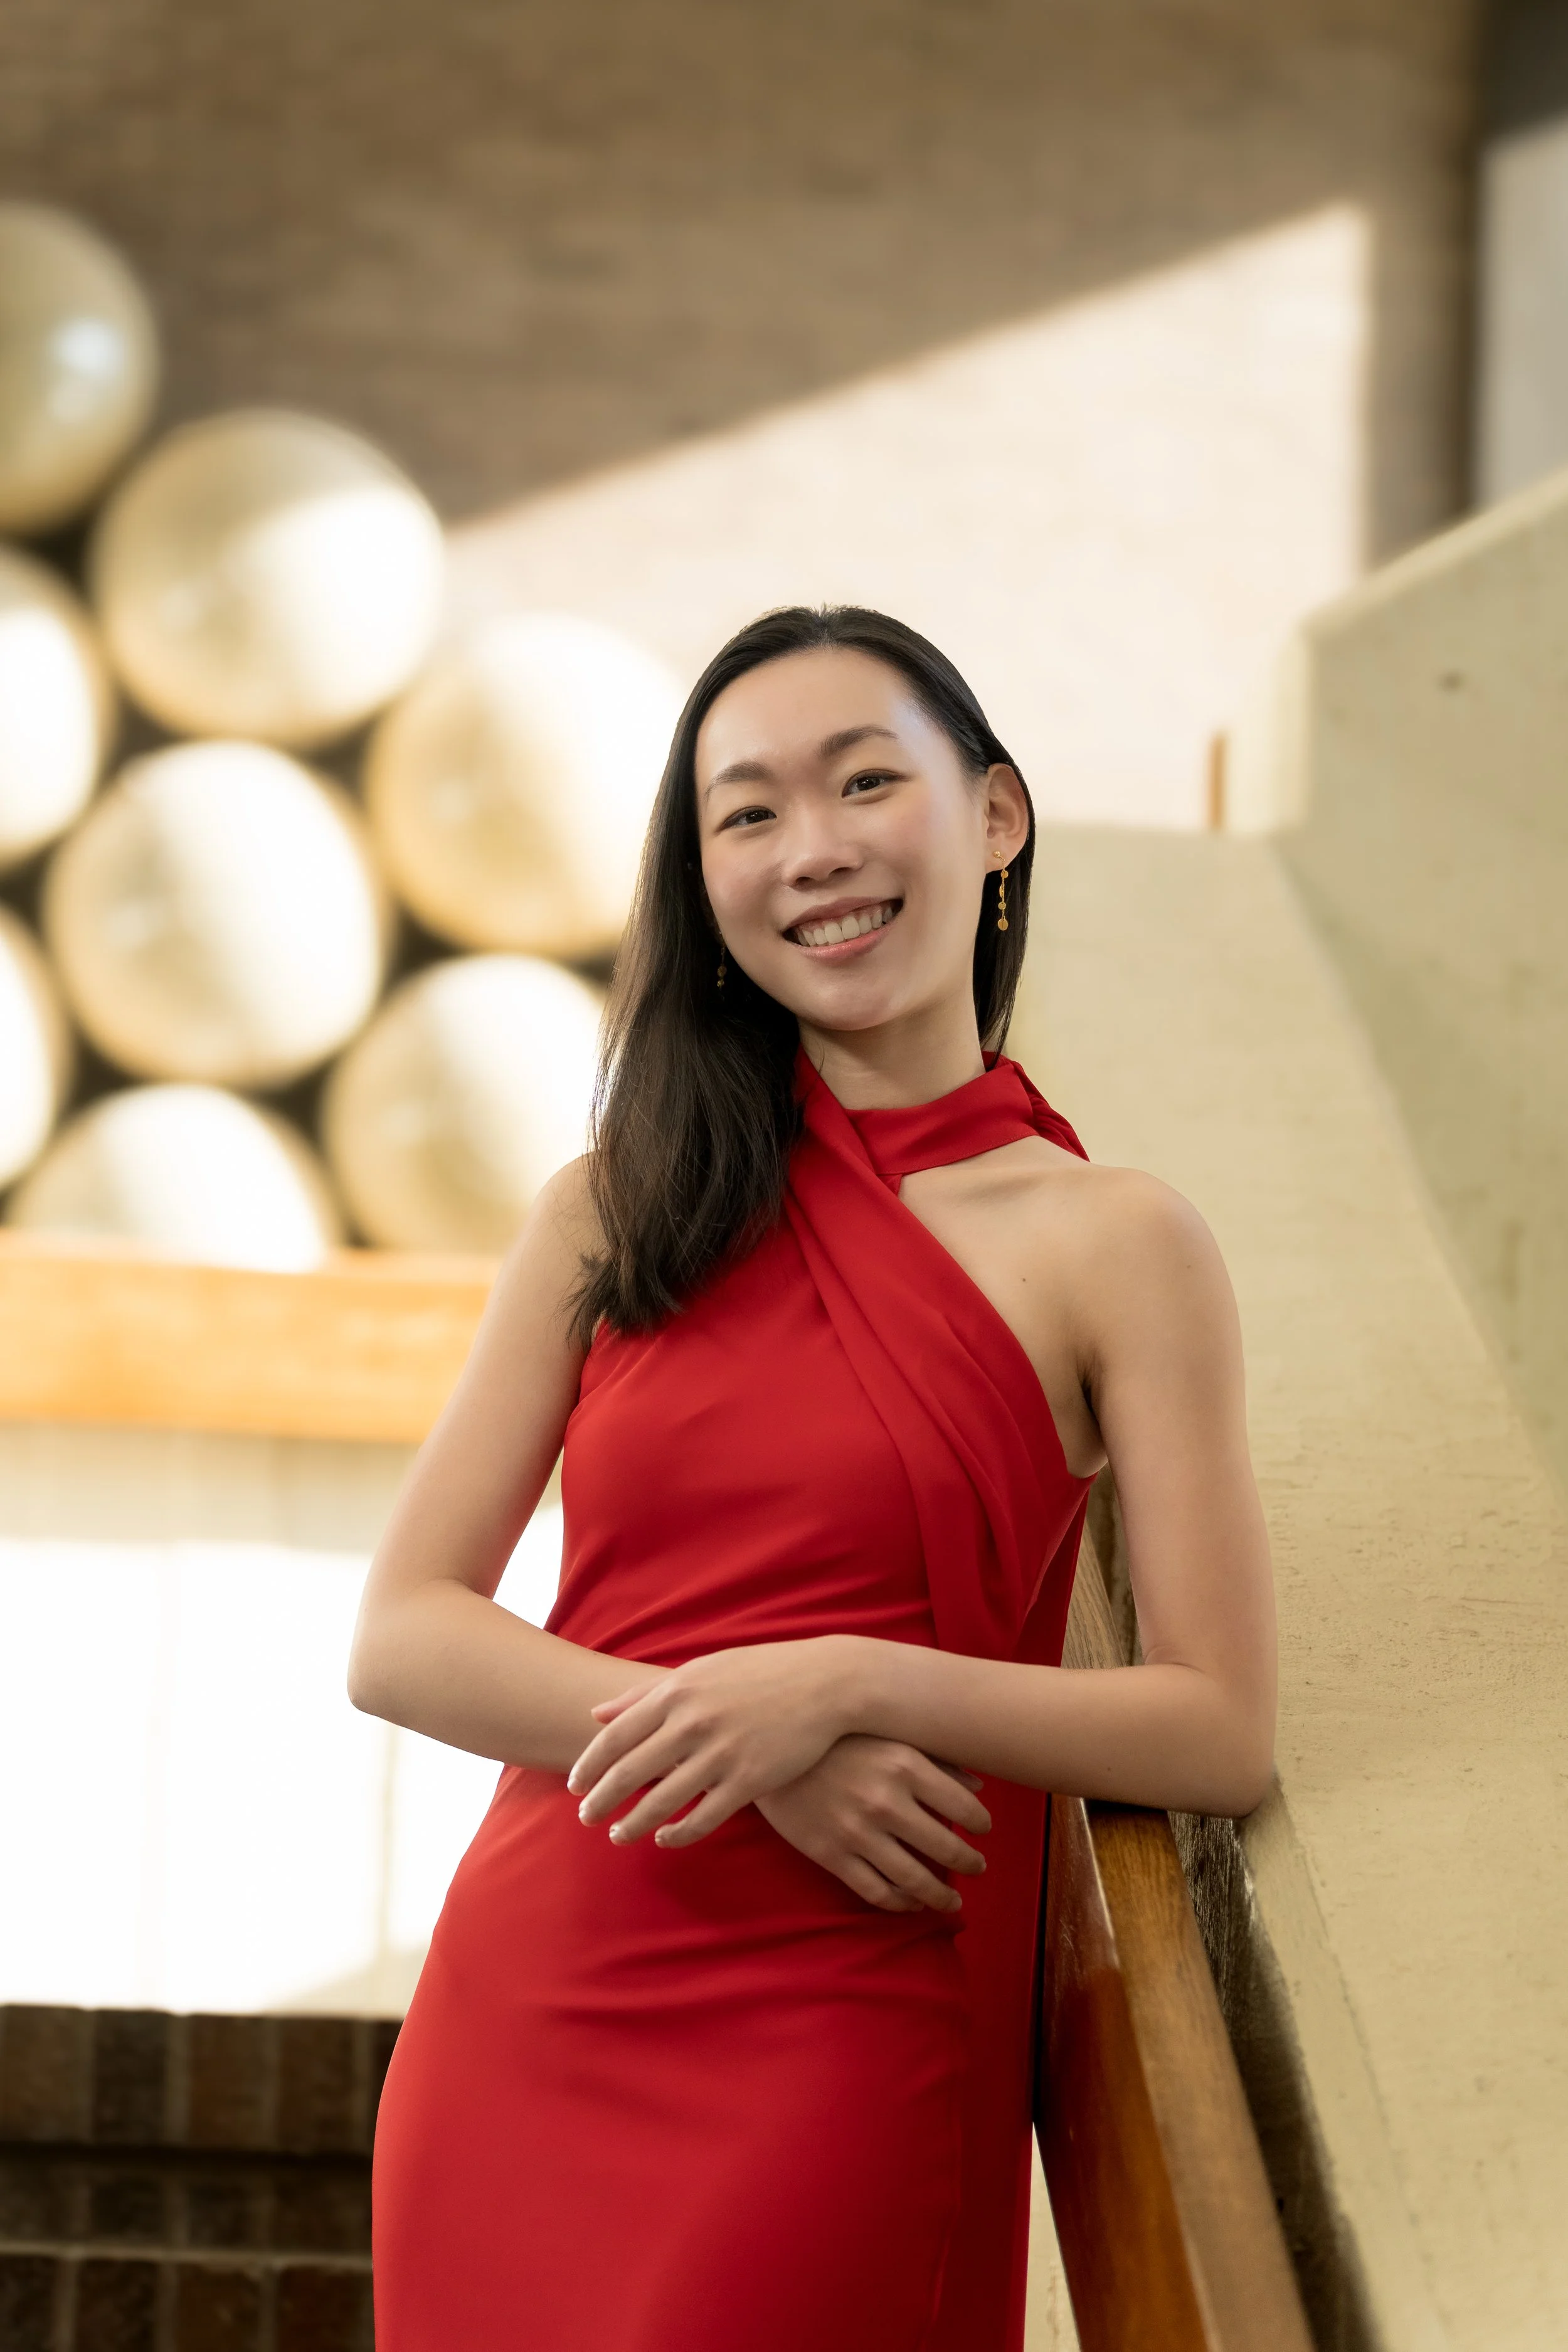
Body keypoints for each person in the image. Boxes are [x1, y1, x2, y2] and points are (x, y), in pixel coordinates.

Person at [352, 605, 1276, 2352]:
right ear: (702, 878)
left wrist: (849, 1686)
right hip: (539, 1993)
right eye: (750, 812)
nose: (814, 849)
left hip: (846, 2014)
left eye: (865, 783)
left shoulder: (1118, 1242)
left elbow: (1217, 1727)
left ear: (993, 813)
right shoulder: (613, 1206)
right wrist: (752, 1749)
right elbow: (401, 1633)